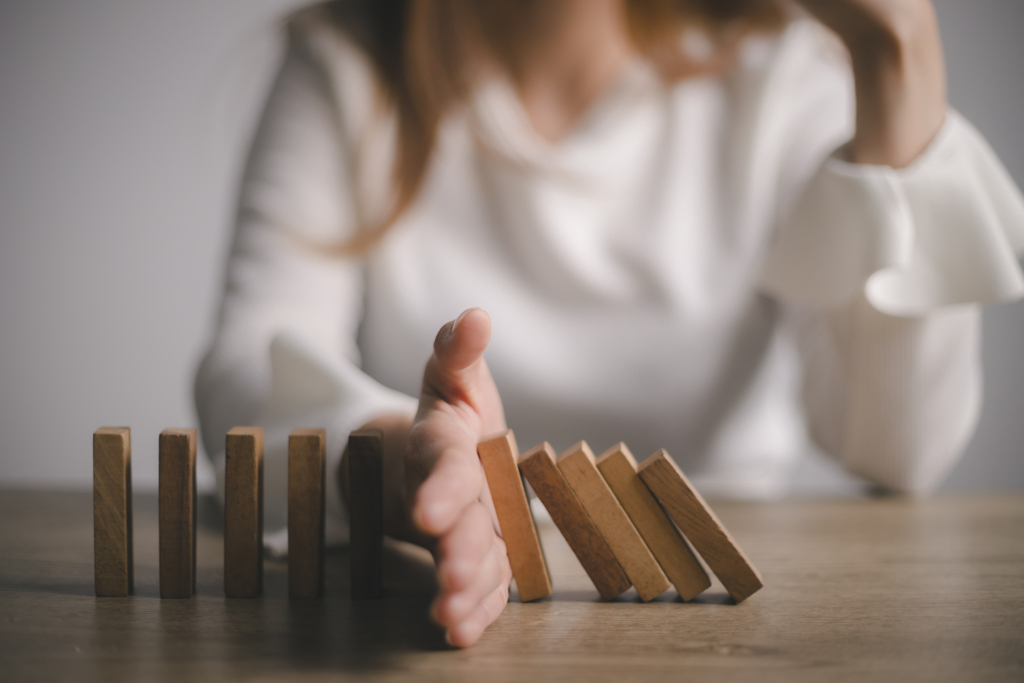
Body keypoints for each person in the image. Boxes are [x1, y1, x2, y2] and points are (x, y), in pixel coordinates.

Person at [195, 0, 1024, 647]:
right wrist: (401, 462)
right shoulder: (348, 59)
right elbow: (249, 366)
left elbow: (898, 448)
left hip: (715, 620)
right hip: (427, 596)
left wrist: (899, 49)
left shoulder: (786, 72)